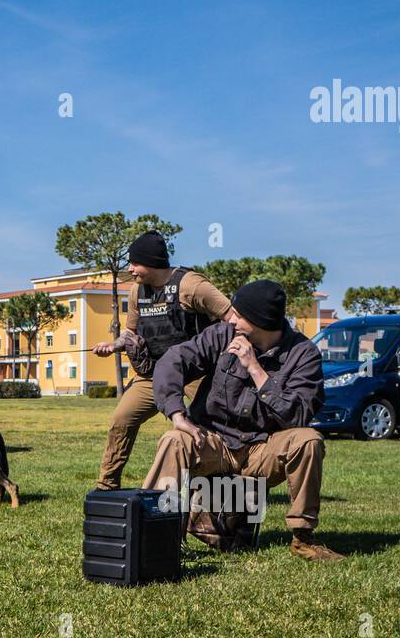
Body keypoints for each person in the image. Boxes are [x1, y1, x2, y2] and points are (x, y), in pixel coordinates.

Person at [146, 279, 342, 561]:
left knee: (308, 440)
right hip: (214, 442)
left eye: (239, 315)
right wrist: (177, 414)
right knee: (173, 440)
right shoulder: (221, 335)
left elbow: (298, 415)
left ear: (261, 321)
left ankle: (303, 539)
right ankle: (157, 536)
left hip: (262, 448)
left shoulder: (304, 354)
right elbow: (172, 361)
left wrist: (255, 369)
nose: (231, 319)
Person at [93, 231, 232, 490]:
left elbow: (232, 318)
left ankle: (215, 484)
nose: (130, 269)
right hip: (154, 372)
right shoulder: (137, 291)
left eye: (135, 263)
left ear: (152, 262)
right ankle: (106, 486)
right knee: (121, 419)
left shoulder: (191, 286)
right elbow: (130, 332)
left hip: (197, 373)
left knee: (208, 422)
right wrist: (114, 345)